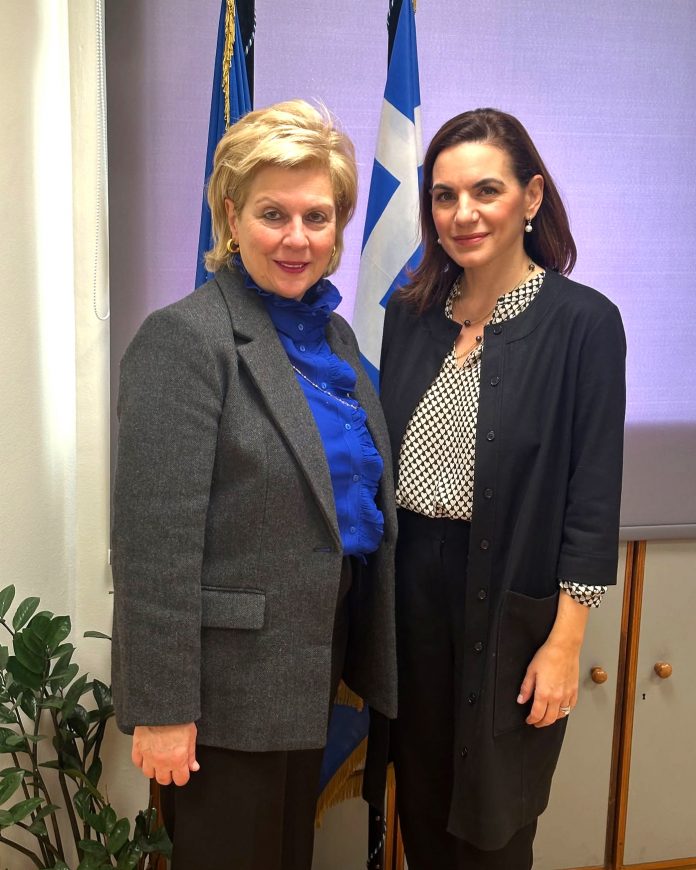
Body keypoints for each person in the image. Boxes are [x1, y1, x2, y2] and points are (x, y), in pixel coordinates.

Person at [110, 99, 397, 870]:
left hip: (313, 669)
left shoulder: (333, 337)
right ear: (232, 217)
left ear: (339, 227)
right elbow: (153, 546)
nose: (297, 238)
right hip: (225, 695)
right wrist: (163, 711)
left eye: (317, 216)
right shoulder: (185, 339)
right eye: (274, 214)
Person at [371, 108, 626, 869]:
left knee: (494, 828)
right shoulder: (409, 316)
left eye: (486, 190)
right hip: (411, 600)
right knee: (421, 806)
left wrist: (565, 643)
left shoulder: (583, 324)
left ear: (531, 197)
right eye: (444, 196)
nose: (464, 213)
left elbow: (592, 498)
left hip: (510, 604)